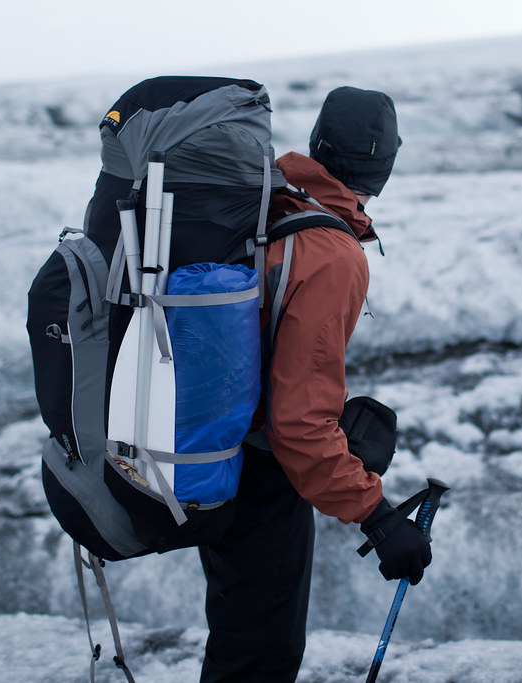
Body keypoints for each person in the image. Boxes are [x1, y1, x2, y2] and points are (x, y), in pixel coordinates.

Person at [197, 86, 433, 682]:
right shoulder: (329, 251)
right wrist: (378, 516)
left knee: (238, 637)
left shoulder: (265, 201)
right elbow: (298, 423)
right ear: (385, 166)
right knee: (260, 658)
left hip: (211, 446)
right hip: (258, 477)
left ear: (317, 145)